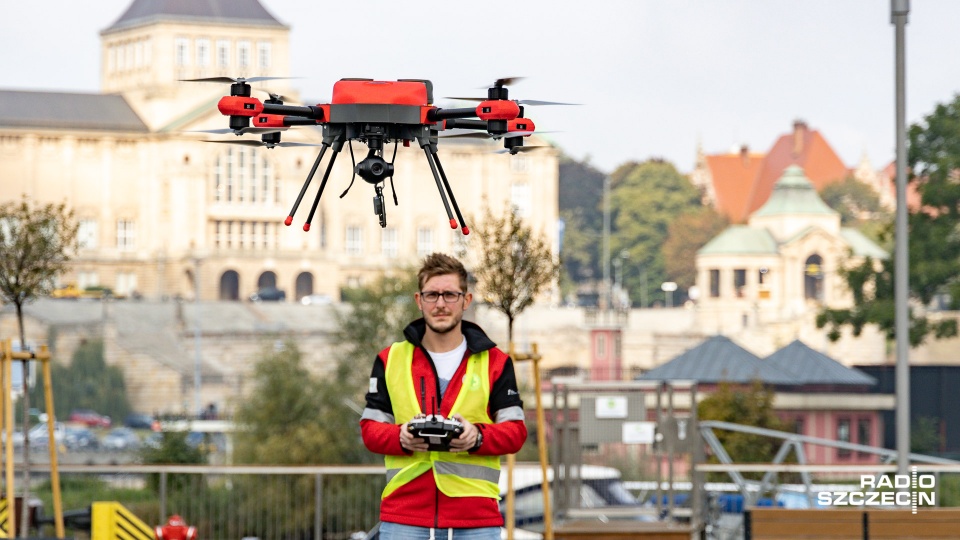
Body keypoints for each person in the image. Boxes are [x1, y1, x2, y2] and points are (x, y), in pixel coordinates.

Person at [361, 253, 527, 540]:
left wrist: (477, 437)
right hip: (405, 515)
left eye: (450, 295)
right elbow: (370, 431)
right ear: (418, 300)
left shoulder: (496, 362)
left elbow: (516, 432)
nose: (440, 304)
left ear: (466, 299)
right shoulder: (391, 359)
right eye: (432, 295)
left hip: (475, 520)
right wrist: (401, 437)